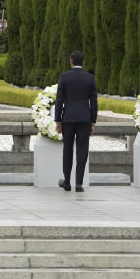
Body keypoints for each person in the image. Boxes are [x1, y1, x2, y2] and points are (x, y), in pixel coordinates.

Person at [55, 50, 98, 193]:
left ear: (71, 61)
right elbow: (94, 102)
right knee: (82, 150)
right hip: (84, 118)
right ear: (83, 62)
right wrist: (93, 122)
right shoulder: (90, 78)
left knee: (67, 150)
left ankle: (67, 181)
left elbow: (59, 100)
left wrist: (58, 120)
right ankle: (79, 183)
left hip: (68, 117)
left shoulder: (64, 77)